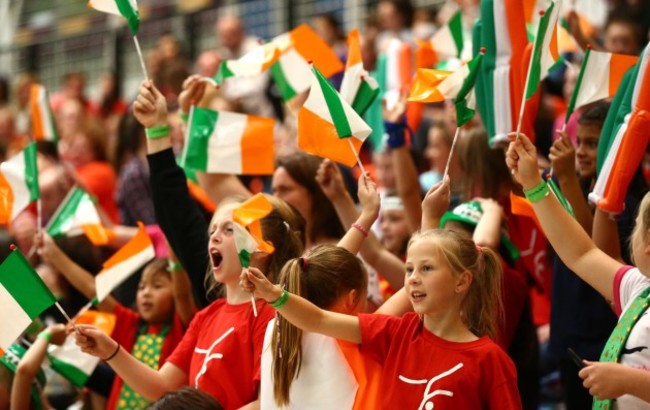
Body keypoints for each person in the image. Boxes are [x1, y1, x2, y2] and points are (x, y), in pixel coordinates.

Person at [73, 80, 305, 408]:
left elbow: (271, 400)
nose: (212, 236)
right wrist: (110, 350)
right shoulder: (207, 315)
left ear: (262, 246)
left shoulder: (270, 315)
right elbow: (161, 386)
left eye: (228, 229)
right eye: (213, 229)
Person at [242, 229, 521, 409]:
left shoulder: (489, 360)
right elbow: (317, 319)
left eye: (426, 268)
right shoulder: (394, 333)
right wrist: (273, 294)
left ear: (462, 282)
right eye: (409, 269)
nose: (413, 278)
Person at [506, 132, 650, 407]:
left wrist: (629, 381)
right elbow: (581, 253)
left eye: (636, 227)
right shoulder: (641, 288)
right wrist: (533, 183)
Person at [260, 174, 382, 409]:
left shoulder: (277, 326)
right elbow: (413, 287)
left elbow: (328, 269)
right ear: (353, 298)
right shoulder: (350, 337)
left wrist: (366, 217)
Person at [38, 232, 192, 410]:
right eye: (141, 287)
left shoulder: (182, 328)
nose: (146, 292)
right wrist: (55, 255)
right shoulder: (132, 325)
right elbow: (93, 290)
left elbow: (182, 294)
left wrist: (172, 247)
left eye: (157, 286)